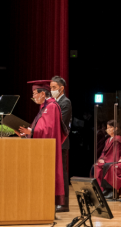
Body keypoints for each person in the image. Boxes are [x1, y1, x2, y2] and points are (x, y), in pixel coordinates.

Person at [18, 80, 69, 207]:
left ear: (42, 94)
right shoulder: (44, 107)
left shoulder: (52, 106)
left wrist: (31, 131)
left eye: (35, 93)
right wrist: (27, 132)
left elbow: (48, 130)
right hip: (40, 146)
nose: (33, 97)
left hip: (47, 148)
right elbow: (40, 126)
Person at [50, 76, 72, 213]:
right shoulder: (53, 102)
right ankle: (55, 200)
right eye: (51, 88)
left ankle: (64, 204)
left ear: (61, 88)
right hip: (52, 141)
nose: (51, 90)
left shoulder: (65, 102)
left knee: (62, 173)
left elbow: (58, 122)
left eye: (54, 88)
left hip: (61, 142)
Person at [93, 120, 121, 195]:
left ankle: (108, 189)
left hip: (113, 160)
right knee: (96, 166)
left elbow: (115, 153)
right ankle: (100, 189)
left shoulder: (118, 139)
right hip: (106, 160)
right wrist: (101, 159)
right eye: (107, 128)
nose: (108, 130)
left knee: (106, 166)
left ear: (115, 128)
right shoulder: (108, 139)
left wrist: (105, 161)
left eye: (110, 127)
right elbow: (103, 152)